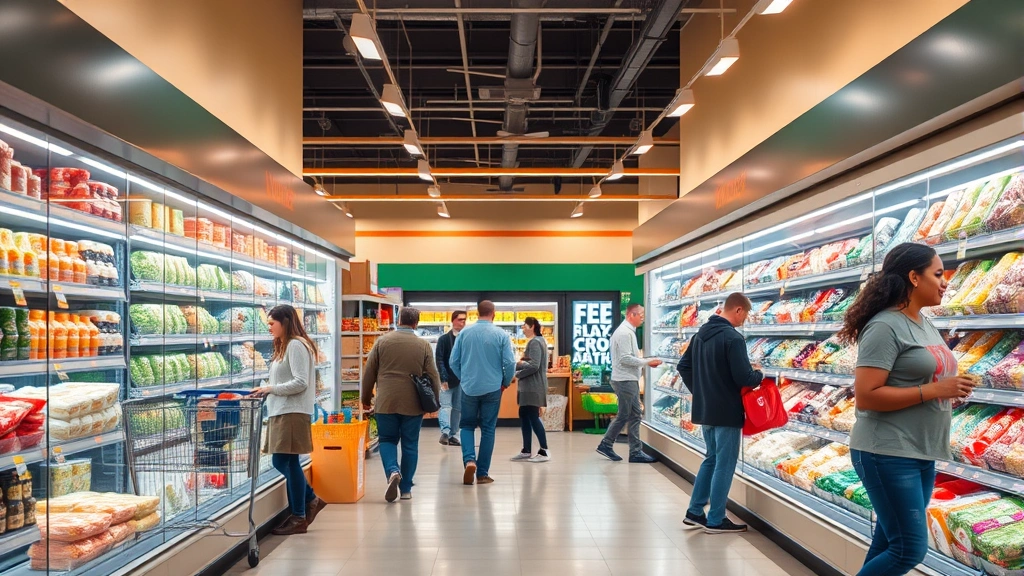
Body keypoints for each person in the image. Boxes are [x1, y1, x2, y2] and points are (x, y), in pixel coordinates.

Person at [838, 243, 973, 576]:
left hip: (921, 449)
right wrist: (935, 390)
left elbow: (921, 379)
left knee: (888, 542)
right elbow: (867, 395)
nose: (945, 282)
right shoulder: (885, 325)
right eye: (938, 274)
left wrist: (951, 389)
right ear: (914, 277)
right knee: (909, 548)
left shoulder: (924, 323)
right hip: (886, 450)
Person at [677, 293, 762, 534]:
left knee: (711, 458)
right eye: (745, 315)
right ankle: (716, 519)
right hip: (727, 411)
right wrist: (759, 374)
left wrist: (701, 390)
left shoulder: (700, 334)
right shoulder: (733, 339)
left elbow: (683, 366)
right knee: (724, 463)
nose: (744, 320)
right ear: (737, 310)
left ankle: (694, 511)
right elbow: (744, 378)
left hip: (706, 409)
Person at [251, 305, 326, 535]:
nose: (270, 328)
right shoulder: (285, 345)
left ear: (285, 322)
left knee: (285, 461)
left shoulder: (295, 345)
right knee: (285, 462)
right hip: (282, 410)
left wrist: (270, 389)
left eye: (272, 323)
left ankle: (301, 513)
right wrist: (266, 389)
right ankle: (309, 503)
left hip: (292, 412)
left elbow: (301, 382)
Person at [361, 307, 441, 502]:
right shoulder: (422, 345)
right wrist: (435, 402)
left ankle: (392, 471)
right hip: (413, 404)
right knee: (410, 445)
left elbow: (369, 373)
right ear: (416, 323)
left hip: (386, 402)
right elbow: (433, 375)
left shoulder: (382, 342)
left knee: (387, 440)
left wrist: (365, 399)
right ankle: (406, 489)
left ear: (398, 319)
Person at [450, 300, 516, 485]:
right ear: (493, 313)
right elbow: (510, 363)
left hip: (469, 388)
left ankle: (469, 460)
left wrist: (464, 378)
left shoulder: (464, 333)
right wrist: (505, 381)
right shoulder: (501, 334)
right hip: (493, 388)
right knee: (488, 429)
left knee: (467, 426)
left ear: (477, 313)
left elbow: (453, 361)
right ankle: (482, 473)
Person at [596, 303, 663, 463]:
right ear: (631, 315)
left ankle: (635, 451)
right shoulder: (625, 333)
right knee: (626, 414)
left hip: (627, 378)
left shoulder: (626, 332)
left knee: (634, 414)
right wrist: (647, 361)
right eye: (640, 315)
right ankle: (607, 444)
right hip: (625, 379)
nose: (642, 319)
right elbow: (625, 358)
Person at [511, 316, 550, 463]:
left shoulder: (535, 342)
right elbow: (530, 363)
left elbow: (534, 365)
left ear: (532, 326)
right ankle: (526, 450)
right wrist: (518, 364)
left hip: (533, 386)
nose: (522, 328)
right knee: (524, 414)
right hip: (529, 386)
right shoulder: (538, 341)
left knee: (533, 416)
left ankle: (544, 450)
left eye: (524, 325)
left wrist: (517, 372)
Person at [435, 310, 467, 447]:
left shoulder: (466, 338)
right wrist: (443, 378)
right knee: (446, 406)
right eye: (460, 319)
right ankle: (445, 432)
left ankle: (454, 435)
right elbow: (439, 359)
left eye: (464, 319)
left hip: (462, 380)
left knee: (457, 408)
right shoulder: (444, 339)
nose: (463, 322)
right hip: (447, 379)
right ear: (453, 320)